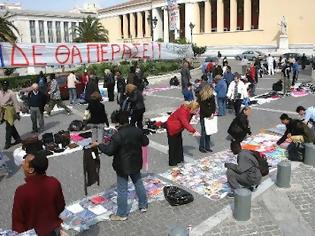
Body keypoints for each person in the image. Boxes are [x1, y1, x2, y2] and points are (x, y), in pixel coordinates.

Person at [93, 110, 149, 221]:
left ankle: (122, 214)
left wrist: (99, 145)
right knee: (138, 183)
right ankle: (143, 205)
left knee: (122, 189)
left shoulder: (117, 135)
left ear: (118, 122)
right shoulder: (136, 130)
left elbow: (109, 151)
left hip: (122, 166)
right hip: (135, 162)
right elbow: (145, 142)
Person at [12, 151, 65, 235]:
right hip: (54, 231)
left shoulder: (21, 191)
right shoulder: (54, 182)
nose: (22, 163)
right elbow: (60, 206)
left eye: (25, 162)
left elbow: (17, 221)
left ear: (31, 170)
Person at [166, 101, 200, 166]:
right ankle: (172, 162)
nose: (196, 112)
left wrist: (196, 114)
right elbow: (185, 123)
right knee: (173, 145)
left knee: (179, 143)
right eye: (196, 110)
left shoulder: (189, 111)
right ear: (192, 108)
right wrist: (193, 131)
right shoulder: (183, 111)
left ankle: (179, 159)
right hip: (172, 128)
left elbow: (186, 121)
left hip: (178, 128)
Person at [0, 80, 21, 149]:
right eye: (3, 85)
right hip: (2, 111)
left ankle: (7, 143)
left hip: (9, 111)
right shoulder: (0, 92)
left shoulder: (11, 93)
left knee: (8, 127)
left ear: (8, 86)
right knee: (11, 126)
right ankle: (18, 139)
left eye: (6, 85)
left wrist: (17, 112)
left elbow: (15, 103)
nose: (4, 86)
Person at [197, 85, 216, 153]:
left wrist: (212, 113)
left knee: (209, 132)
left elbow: (214, 105)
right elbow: (203, 108)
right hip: (203, 116)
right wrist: (209, 114)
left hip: (210, 115)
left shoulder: (211, 96)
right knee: (203, 132)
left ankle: (207, 146)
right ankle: (201, 147)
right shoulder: (201, 97)